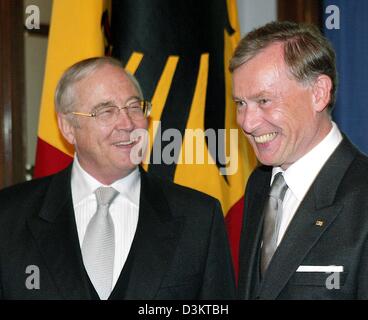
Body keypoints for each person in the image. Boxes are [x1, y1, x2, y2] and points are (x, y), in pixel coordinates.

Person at [0, 57, 235, 300]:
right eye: (106, 111)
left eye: (134, 107)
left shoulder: (200, 218)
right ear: (68, 126)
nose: (127, 123)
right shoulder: (8, 216)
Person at [230, 21, 368, 299]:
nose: (247, 122)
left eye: (264, 101)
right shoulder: (259, 185)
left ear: (318, 93)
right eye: (240, 104)